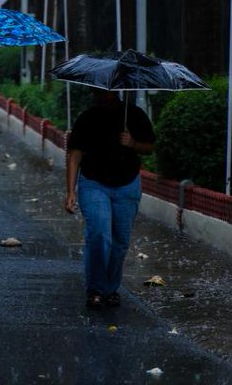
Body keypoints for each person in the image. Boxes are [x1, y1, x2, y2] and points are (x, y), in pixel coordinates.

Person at [65, 88, 155, 310]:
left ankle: (111, 288)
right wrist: (70, 191)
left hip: (127, 185)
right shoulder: (87, 118)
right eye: (99, 92)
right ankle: (95, 289)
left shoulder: (133, 115)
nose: (103, 96)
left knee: (120, 241)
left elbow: (150, 147)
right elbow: (74, 154)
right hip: (94, 183)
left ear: (117, 92)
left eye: (108, 92)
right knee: (99, 234)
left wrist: (132, 143)